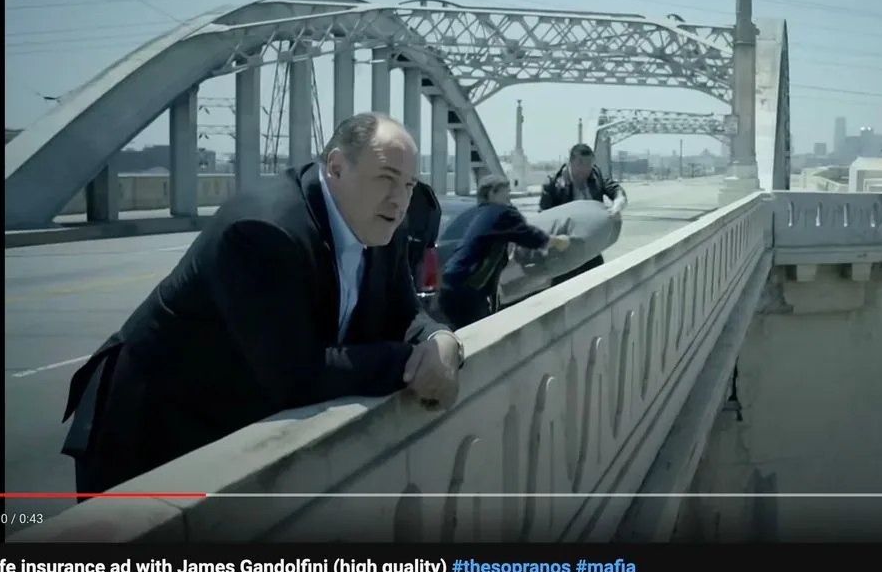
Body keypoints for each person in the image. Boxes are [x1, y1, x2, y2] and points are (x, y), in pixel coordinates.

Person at [59, 113, 464, 497]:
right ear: (336, 167)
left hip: (231, 420)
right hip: (150, 432)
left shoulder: (382, 221)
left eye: (409, 185)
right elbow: (296, 375)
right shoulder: (264, 231)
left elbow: (405, 312)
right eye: (386, 179)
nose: (399, 200)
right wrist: (411, 362)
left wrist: (440, 339)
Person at [437, 175, 571, 329]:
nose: (508, 198)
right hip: (467, 292)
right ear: (492, 193)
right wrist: (558, 241)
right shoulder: (502, 213)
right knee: (480, 339)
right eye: (505, 193)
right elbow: (532, 236)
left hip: (449, 289)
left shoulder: (478, 214)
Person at [539, 143, 626, 286]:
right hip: (563, 250)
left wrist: (618, 204)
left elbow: (616, 190)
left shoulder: (596, 177)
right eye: (580, 163)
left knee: (596, 286)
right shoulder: (553, 184)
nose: (585, 169)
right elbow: (545, 219)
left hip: (590, 245)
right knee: (562, 289)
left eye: (589, 164)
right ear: (571, 161)